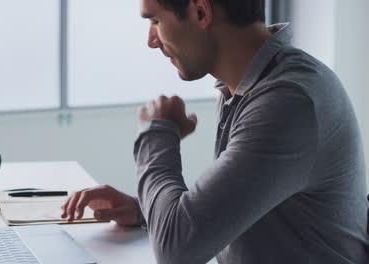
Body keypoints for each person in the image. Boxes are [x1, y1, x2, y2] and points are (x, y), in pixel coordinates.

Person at [61, 0, 369, 263]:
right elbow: (233, 207)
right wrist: (148, 212)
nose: (151, 40)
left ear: (200, 12)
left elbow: (177, 250)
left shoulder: (288, 101)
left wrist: (157, 132)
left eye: (155, 20)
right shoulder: (252, 85)